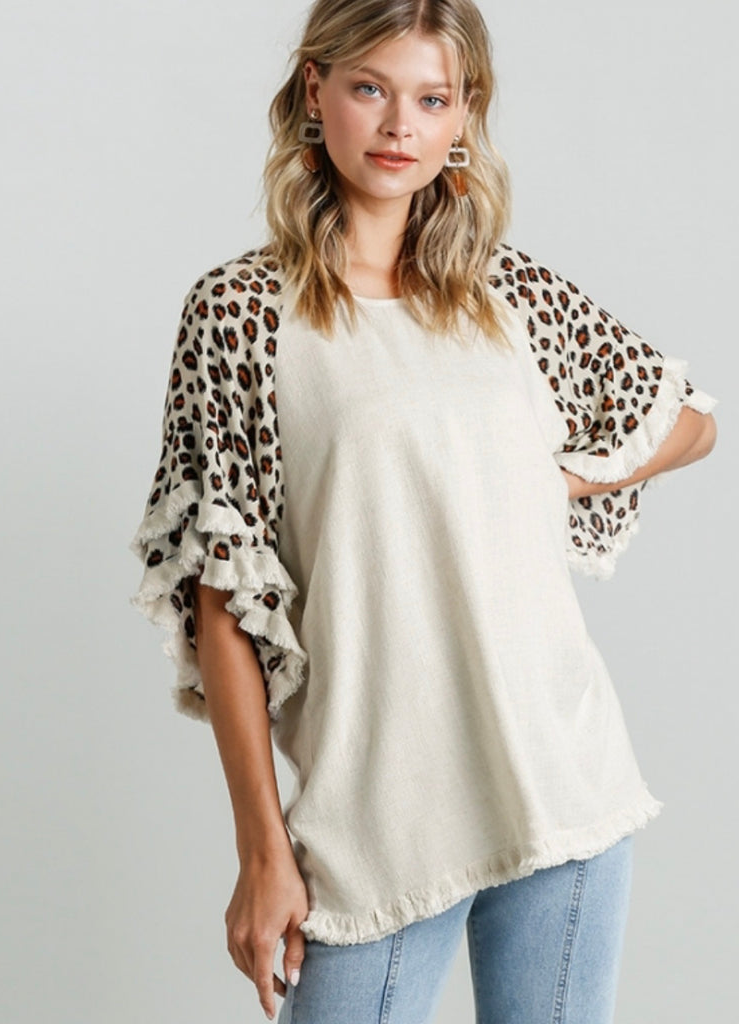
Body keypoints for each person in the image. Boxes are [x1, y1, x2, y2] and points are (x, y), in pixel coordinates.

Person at [128, 1, 719, 1021]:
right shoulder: (241, 315)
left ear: (463, 115)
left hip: (562, 781)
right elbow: (220, 599)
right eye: (371, 89)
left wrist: (561, 478)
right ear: (315, 91)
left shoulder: (507, 295)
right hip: (377, 815)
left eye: (432, 99)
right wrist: (263, 850)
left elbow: (693, 421)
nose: (400, 125)